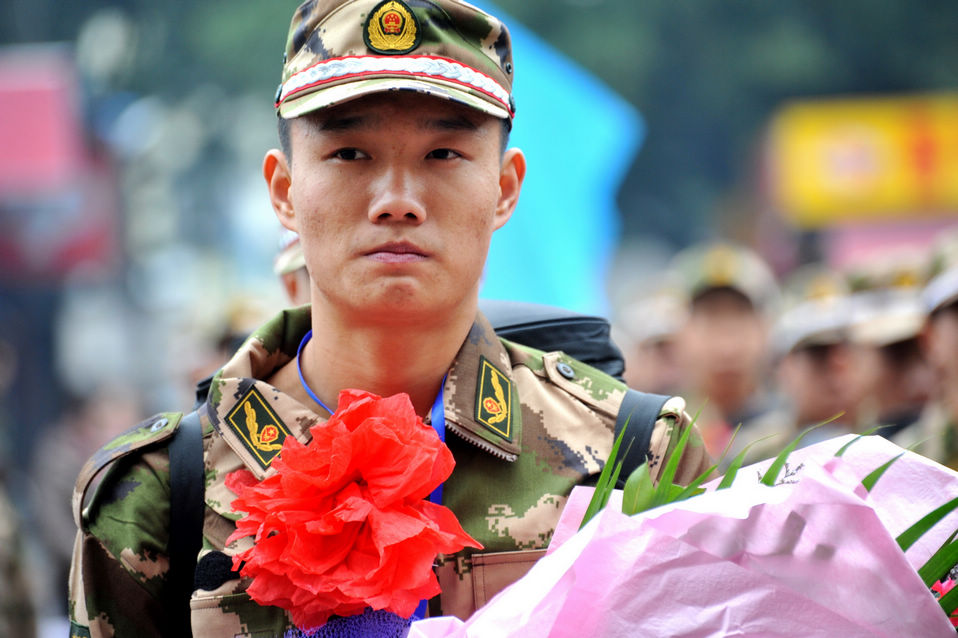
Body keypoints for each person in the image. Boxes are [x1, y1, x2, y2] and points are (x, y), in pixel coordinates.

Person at [68, 1, 711, 635]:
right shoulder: (160, 493)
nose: (397, 201)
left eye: (444, 155)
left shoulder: (631, 461)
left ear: (506, 189)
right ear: (285, 191)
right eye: (350, 153)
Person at [667, 241, 779, 459]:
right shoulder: (658, 430)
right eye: (710, 318)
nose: (726, 344)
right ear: (679, 332)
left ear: (765, 328)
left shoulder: (796, 433)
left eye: (739, 317)